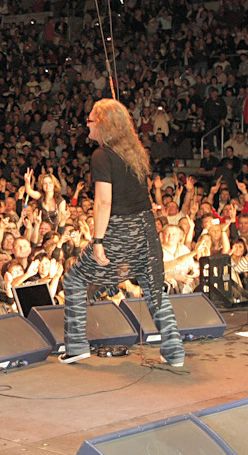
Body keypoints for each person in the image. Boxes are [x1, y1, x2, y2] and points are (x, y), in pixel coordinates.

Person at [60, 98, 185, 367]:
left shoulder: (101, 156)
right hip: (146, 228)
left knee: (73, 280)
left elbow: (104, 201)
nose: (87, 124)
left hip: (120, 229)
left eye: (91, 119)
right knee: (153, 290)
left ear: (103, 124)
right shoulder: (135, 153)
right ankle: (174, 352)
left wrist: (98, 240)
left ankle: (77, 346)